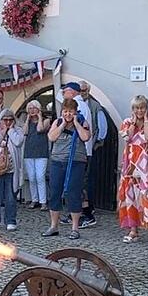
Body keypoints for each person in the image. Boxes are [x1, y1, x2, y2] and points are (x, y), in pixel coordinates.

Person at [117, 95, 148, 246]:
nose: (139, 110)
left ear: (146, 108)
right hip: (130, 166)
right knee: (131, 198)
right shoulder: (126, 122)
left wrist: (145, 120)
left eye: (142, 107)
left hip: (147, 166)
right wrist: (133, 123)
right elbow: (128, 137)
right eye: (136, 108)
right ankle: (133, 230)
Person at [41, 98, 91, 240]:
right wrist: (62, 124)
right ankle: (54, 226)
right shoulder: (57, 122)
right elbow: (51, 137)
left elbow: (86, 137)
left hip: (76, 162)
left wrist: (76, 123)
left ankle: (75, 228)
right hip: (57, 161)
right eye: (65, 111)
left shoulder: (82, 122)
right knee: (55, 192)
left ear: (75, 112)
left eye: (70, 111)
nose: (68, 114)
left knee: (73, 193)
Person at [59, 82, 94, 228]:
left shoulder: (80, 107)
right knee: (75, 185)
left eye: (65, 92)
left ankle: (86, 214)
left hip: (80, 151)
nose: (63, 95)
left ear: (72, 92)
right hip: (77, 151)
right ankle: (75, 212)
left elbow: (81, 128)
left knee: (78, 185)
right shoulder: (80, 104)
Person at [0, 109, 24, 231]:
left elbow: (18, 142)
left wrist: (11, 130)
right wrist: (3, 131)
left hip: (12, 168)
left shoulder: (18, 129)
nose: (7, 122)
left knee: (11, 195)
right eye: (5, 119)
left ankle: (11, 220)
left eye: (10, 119)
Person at [79, 81, 107, 226]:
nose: (81, 92)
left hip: (90, 147)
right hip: (80, 149)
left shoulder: (95, 106)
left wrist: (98, 142)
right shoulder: (76, 104)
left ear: (88, 90)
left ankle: (89, 208)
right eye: (80, 90)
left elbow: (102, 126)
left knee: (86, 180)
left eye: (83, 90)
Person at [22, 100, 50, 210]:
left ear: (39, 108)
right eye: (30, 108)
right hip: (29, 152)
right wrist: (28, 119)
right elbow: (24, 132)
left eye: (34, 108)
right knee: (32, 177)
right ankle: (34, 199)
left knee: (40, 176)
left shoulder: (46, 120)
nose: (32, 110)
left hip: (41, 152)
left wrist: (39, 117)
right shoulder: (27, 121)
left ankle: (43, 201)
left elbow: (39, 129)